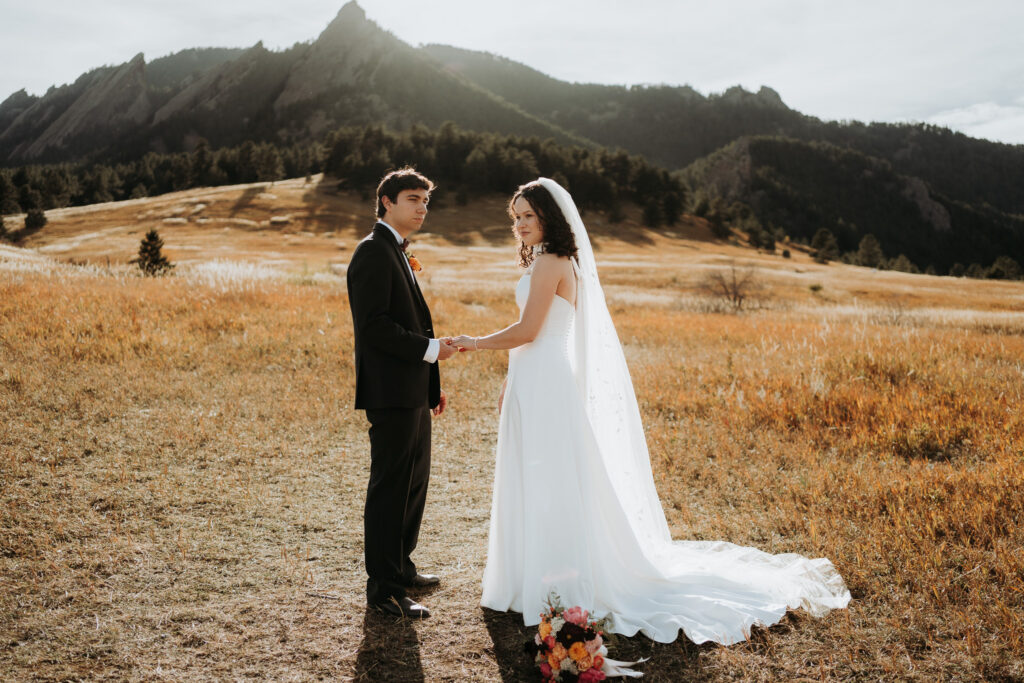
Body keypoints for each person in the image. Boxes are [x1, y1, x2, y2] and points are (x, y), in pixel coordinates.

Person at [448, 178, 850, 645]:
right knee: (543, 473)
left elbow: (529, 329)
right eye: (515, 217)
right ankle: (535, 577)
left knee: (549, 476)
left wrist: (474, 343)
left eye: (528, 217)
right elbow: (535, 337)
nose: (519, 225)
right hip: (536, 378)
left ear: (549, 219)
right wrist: (509, 379)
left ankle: (550, 580)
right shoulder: (550, 261)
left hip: (545, 381)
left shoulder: (553, 262)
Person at [346, 167, 458, 619]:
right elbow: (373, 327)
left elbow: (411, 322)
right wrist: (431, 350)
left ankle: (403, 567)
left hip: (412, 390)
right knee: (390, 488)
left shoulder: (397, 251)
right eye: (413, 199)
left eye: (426, 201)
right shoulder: (373, 251)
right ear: (387, 201)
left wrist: (431, 385)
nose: (422, 208)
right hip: (389, 392)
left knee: (413, 485)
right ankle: (384, 587)